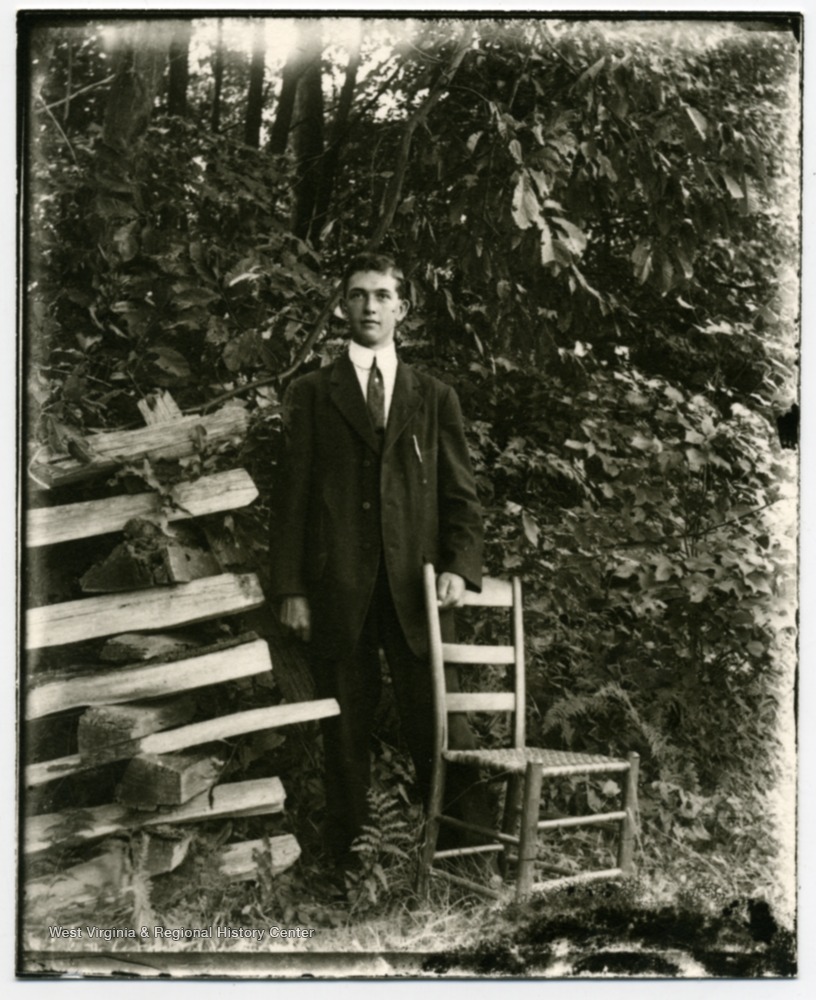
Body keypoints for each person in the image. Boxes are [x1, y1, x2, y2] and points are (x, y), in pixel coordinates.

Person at [271, 252, 486, 864]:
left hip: (419, 589)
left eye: (382, 295)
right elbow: (292, 498)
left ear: (402, 309)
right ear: (343, 306)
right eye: (358, 294)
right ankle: (349, 865)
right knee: (344, 729)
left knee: (442, 723)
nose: (370, 306)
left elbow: (461, 496)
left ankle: (467, 857)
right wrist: (291, 588)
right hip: (338, 586)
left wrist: (459, 566)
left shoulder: (434, 397)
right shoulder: (312, 393)